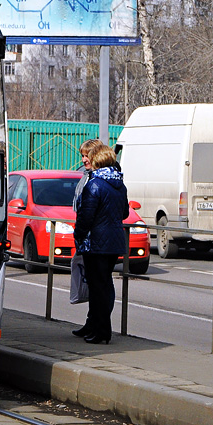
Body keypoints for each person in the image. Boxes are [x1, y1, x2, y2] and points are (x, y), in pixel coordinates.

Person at [71, 143, 129, 344]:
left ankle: (101, 331)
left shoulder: (94, 184)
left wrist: (78, 235)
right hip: (114, 241)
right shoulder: (119, 183)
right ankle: (99, 328)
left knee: (97, 288)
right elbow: (125, 213)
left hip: (95, 243)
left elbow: (86, 216)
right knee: (104, 285)